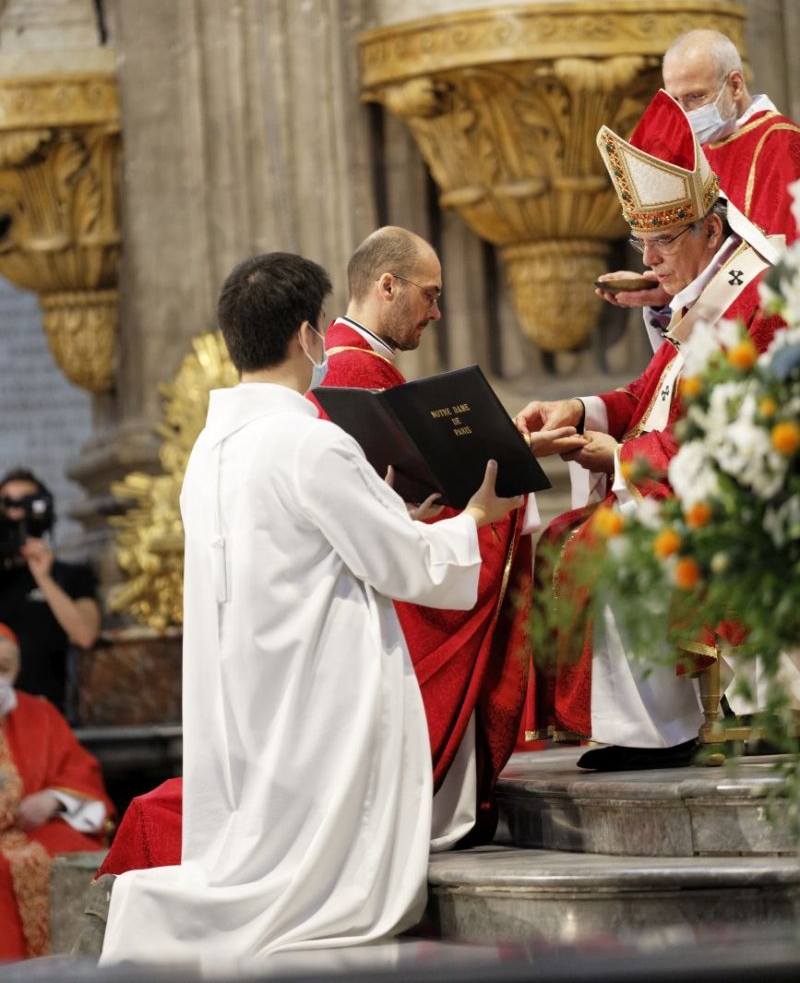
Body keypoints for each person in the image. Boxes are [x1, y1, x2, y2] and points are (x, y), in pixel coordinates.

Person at [99, 251, 523, 967]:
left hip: (255, 698)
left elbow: (306, 547)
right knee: (320, 883)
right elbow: (409, 567)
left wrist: (388, 511)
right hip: (321, 701)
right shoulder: (309, 441)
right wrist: (474, 517)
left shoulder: (211, 450)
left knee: (258, 847)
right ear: (307, 336)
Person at [516, 89, 785, 771]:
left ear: (710, 228)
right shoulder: (701, 291)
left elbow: (741, 433)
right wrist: (579, 411)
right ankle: (635, 727)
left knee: (602, 545)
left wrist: (626, 456)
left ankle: (659, 732)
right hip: (679, 478)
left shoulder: (757, 298)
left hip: (741, 502)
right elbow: (650, 393)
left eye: (664, 239)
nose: (652, 258)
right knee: (558, 541)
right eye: (643, 241)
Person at [310, 226, 580, 845]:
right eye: (429, 296)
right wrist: (506, 494)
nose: (437, 311)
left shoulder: (346, 364)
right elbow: (410, 509)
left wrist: (507, 448)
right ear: (387, 285)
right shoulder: (359, 374)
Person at [597, 28, 799, 325]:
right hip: (719, 321)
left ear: (735, 86)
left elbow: (778, 264)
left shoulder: (783, 146)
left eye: (695, 97)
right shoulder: (698, 153)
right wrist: (668, 291)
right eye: (676, 101)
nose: (685, 113)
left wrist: (690, 293)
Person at [0, 622, 112, 960]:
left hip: (33, 829)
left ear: (16, 670)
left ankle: (72, 968)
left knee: (81, 861)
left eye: (3, 667)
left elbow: (81, 772)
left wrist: (53, 799)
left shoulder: (41, 714)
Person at [0, 469, 100, 714]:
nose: (16, 513)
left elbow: (85, 635)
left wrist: (44, 578)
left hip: (46, 718)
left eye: (27, 503)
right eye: (7, 503)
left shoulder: (70, 576)